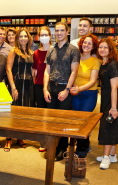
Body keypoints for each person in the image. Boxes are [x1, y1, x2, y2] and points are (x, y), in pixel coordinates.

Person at [43, 22, 80, 161]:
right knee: (51, 120)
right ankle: (52, 146)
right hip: (51, 88)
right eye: (57, 30)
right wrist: (44, 88)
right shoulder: (51, 50)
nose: (59, 33)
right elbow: (47, 71)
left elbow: (74, 72)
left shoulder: (73, 50)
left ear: (67, 31)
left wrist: (67, 90)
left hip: (65, 88)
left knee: (62, 121)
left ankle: (62, 149)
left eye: (62, 30)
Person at [96, 38, 118, 170]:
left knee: (107, 126)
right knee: (112, 125)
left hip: (114, 99)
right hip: (107, 97)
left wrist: (114, 108)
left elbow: (114, 87)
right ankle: (112, 154)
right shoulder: (104, 62)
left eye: (105, 48)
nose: (102, 49)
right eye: (100, 47)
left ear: (110, 50)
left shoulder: (113, 64)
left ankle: (106, 157)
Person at [70, 34, 100, 158]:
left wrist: (79, 89)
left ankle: (81, 151)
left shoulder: (95, 61)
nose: (86, 45)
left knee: (84, 121)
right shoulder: (76, 57)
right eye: (85, 42)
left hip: (89, 94)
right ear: (81, 44)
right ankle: (83, 145)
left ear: (93, 46)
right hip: (74, 93)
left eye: (89, 43)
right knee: (76, 122)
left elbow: (93, 81)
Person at [6, 28, 34, 152]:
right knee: (13, 111)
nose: (23, 38)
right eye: (21, 36)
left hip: (28, 85)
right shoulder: (13, 51)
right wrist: (12, 87)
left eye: (25, 36)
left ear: (28, 38)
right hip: (17, 83)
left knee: (23, 112)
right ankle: (8, 138)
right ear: (18, 38)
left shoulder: (30, 52)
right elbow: (8, 69)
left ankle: (20, 137)